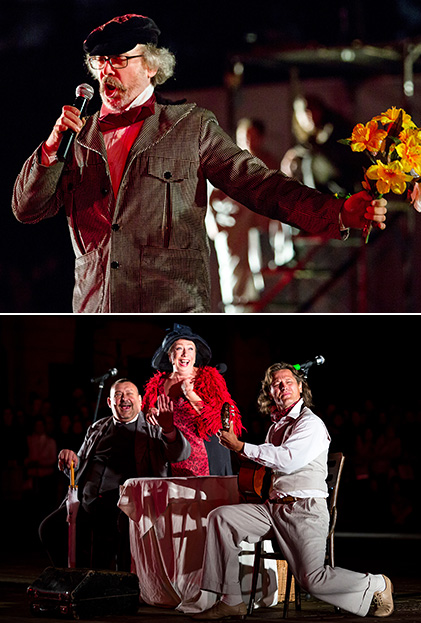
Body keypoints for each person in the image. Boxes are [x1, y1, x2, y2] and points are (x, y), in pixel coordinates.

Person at [12, 14, 387, 315]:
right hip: (96, 308)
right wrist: (50, 148)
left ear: (151, 67)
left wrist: (336, 212)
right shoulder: (77, 137)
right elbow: (26, 209)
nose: (108, 71)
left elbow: (259, 185)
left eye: (120, 60)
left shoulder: (189, 126)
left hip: (172, 311)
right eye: (100, 62)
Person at [186, 362, 395, 620]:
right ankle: (231, 600)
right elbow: (267, 465)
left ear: (300, 387)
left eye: (287, 381)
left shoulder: (310, 423)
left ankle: (376, 584)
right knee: (222, 518)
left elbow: (286, 459)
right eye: (275, 384)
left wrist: (241, 446)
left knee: (312, 581)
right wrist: (238, 451)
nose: (282, 386)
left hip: (305, 510)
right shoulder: (275, 428)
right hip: (273, 509)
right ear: (270, 393)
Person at [38, 377, 190, 570]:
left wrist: (168, 429)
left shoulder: (153, 427)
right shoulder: (97, 428)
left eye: (129, 394)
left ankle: (109, 584)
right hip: (86, 501)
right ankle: (70, 577)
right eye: (118, 395)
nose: (124, 399)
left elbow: (179, 454)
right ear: (110, 402)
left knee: (111, 533)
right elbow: (79, 471)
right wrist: (69, 461)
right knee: (49, 528)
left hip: (126, 505)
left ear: (140, 400)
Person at [142, 323, 242, 476]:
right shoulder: (158, 383)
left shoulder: (210, 378)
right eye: (179, 348)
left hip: (208, 454)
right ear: (170, 356)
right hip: (173, 455)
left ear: (195, 356)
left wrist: (190, 394)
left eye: (190, 348)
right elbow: (147, 414)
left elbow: (221, 423)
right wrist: (150, 411)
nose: (185, 354)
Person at [208, 118, 283, 310]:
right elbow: (210, 197)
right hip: (232, 224)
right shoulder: (226, 161)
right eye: (244, 136)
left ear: (261, 138)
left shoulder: (269, 163)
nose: (248, 141)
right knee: (234, 273)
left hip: (260, 227)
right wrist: (212, 222)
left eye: (253, 136)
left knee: (263, 274)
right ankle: (237, 311)